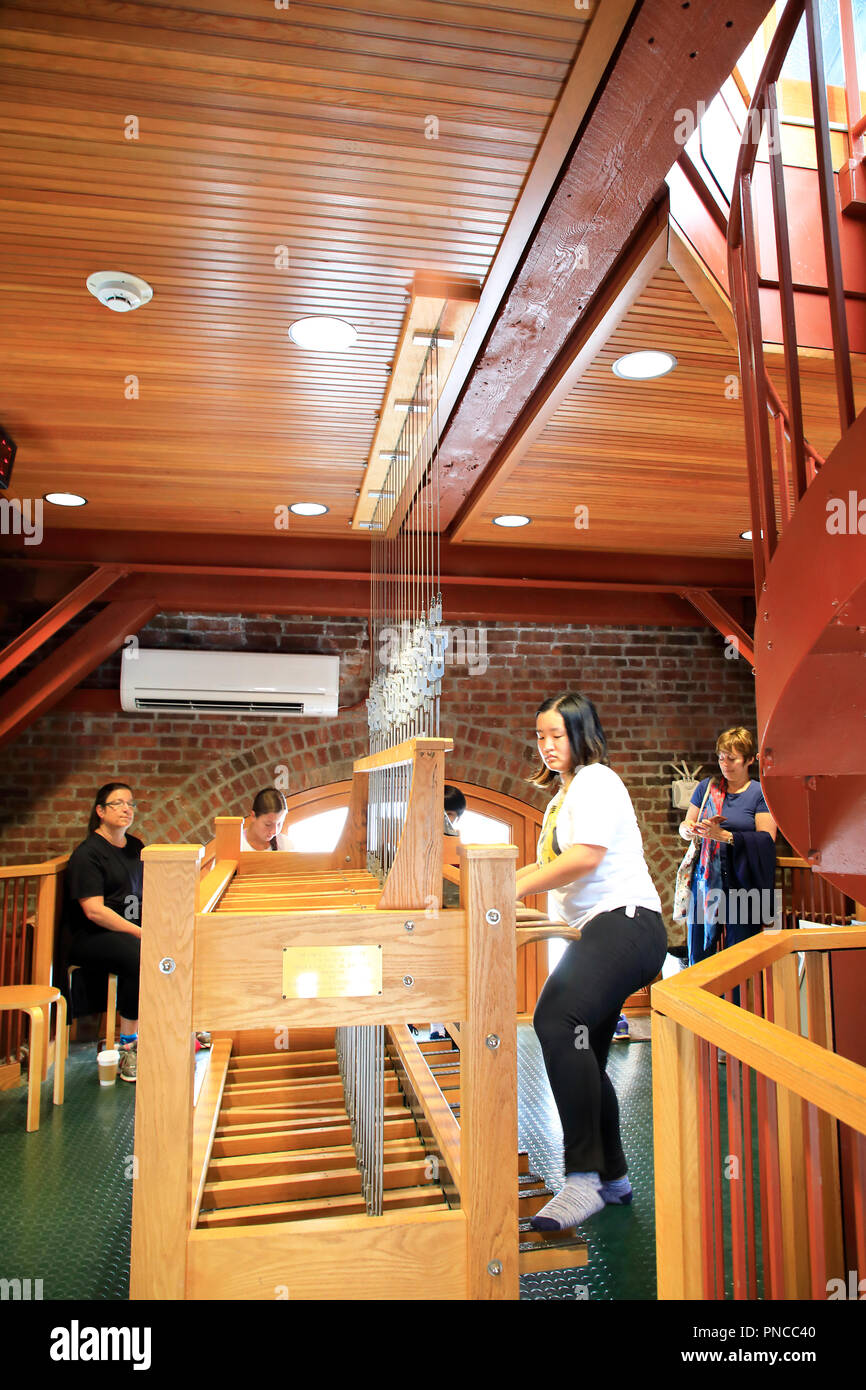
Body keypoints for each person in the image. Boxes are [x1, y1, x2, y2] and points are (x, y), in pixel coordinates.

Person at [515, 693, 667, 1230]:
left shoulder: (598, 780)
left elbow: (584, 859)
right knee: (586, 1055)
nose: (548, 745)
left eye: (557, 735)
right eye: (540, 736)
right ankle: (613, 1178)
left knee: (556, 1021)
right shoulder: (562, 797)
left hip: (629, 924)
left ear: (582, 735)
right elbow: (566, 885)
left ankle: (581, 1180)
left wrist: (505, 885)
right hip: (596, 931)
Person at [679, 727, 777, 967]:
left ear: (750, 760)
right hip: (706, 882)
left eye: (732, 758)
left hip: (743, 883)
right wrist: (689, 829)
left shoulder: (759, 793)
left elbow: (767, 839)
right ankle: (700, 1004)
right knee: (700, 957)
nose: (725, 764)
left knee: (741, 957)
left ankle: (738, 1004)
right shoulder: (707, 787)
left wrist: (726, 836)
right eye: (721, 757)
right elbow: (683, 827)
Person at [65, 782, 143, 1082]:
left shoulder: (136, 847)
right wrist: (139, 932)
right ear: (100, 811)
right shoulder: (88, 854)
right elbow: (94, 910)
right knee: (138, 955)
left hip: (129, 930)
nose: (127, 809)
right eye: (118, 803)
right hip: (91, 936)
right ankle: (128, 1045)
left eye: (131, 804)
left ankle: (169, 1028)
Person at [428, 785, 467, 1040]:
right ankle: (436, 1027)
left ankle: (451, 1029)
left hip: (451, 910)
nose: (446, 819)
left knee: (452, 972)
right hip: (429, 910)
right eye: (443, 813)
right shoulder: (425, 836)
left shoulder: (455, 839)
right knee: (432, 971)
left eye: (450, 815)